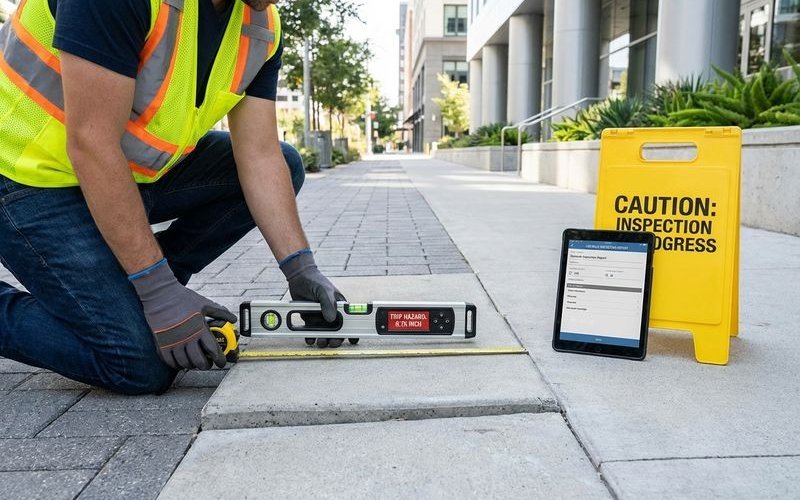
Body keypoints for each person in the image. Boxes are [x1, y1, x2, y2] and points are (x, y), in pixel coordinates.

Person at [0, 0, 345, 395]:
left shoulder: (260, 25)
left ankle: (140, 288)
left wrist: (300, 269)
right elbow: (92, 144)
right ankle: (146, 292)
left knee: (286, 163)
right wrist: (157, 291)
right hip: (22, 177)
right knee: (138, 360)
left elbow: (261, 154)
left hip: (121, 175)